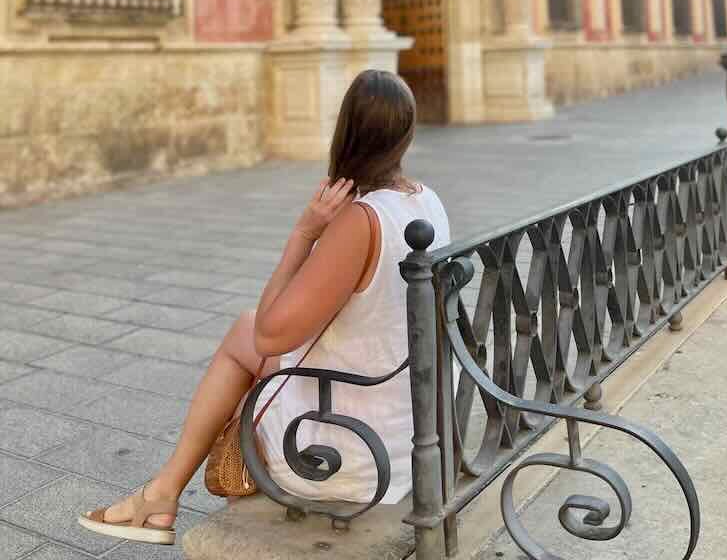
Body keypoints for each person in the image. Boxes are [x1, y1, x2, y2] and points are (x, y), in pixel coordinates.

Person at [78, 69, 450, 545]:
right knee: (244, 331)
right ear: (406, 133)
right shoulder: (426, 201)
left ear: (347, 131)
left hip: (357, 450)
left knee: (248, 339)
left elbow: (271, 336)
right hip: (412, 424)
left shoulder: (363, 220)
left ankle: (161, 495)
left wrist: (305, 234)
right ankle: (161, 494)